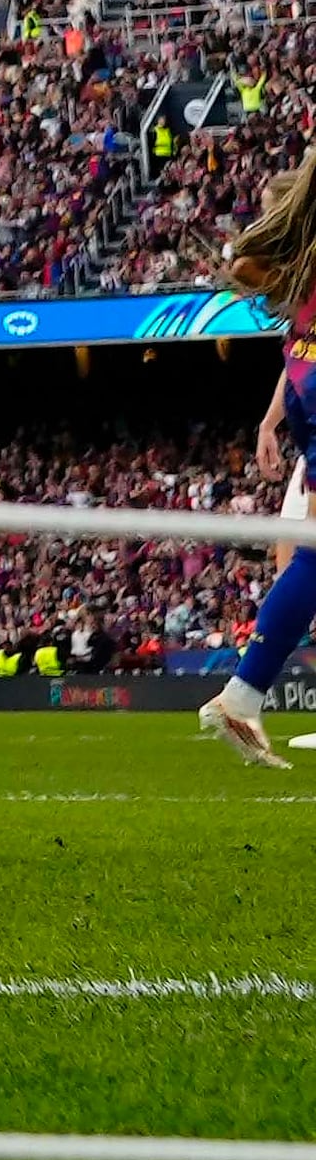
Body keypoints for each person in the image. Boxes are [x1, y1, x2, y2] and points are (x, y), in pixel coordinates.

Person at [199, 154, 316, 769]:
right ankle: (242, 694)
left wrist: (272, 420)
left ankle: (243, 693)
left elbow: (241, 263)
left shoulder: (299, 269)